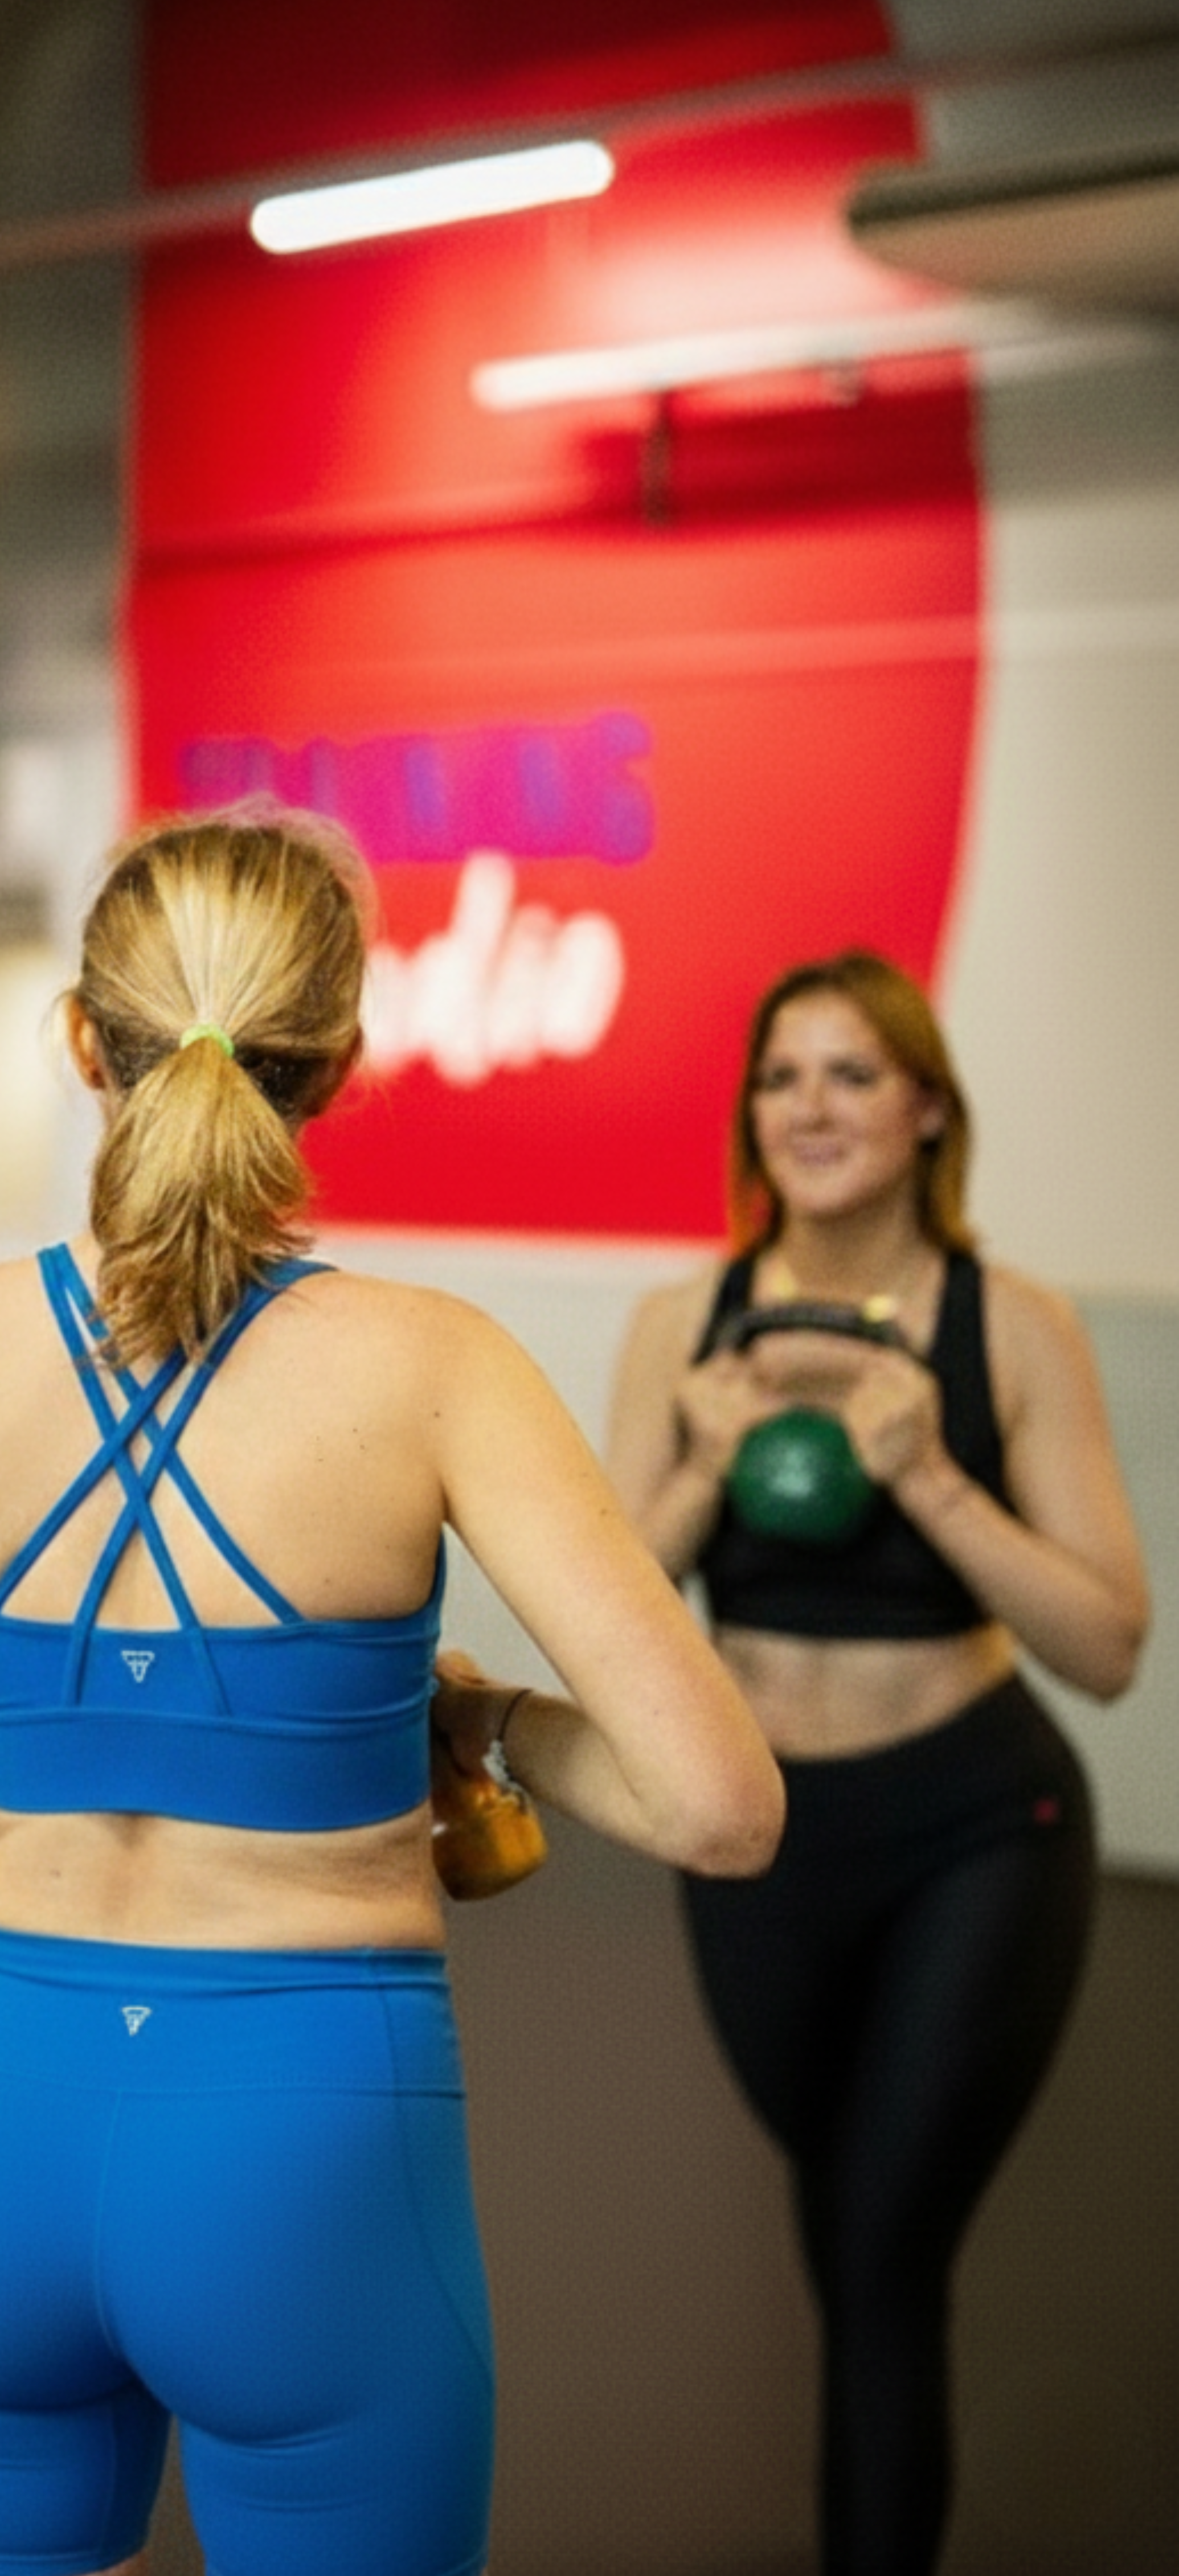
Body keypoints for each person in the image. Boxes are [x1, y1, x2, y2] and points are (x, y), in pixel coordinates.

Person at [0, 805, 783, 2576]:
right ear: (338, 1060)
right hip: (302, 2129)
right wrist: (477, 1723)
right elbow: (720, 1808)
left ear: (78, 1040)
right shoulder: (436, 1365)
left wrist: (64, 1720)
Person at [603, 949, 1148, 2576]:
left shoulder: (1012, 1327)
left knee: (880, 2249)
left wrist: (928, 1475)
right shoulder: (681, 1326)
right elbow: (608, 1612)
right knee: (852, 2243)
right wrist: (702, 1466)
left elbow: (1106, 1644)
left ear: (927, 1112)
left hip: (975, 1831)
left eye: (852, 1073)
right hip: (761, 1839)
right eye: (781, 1077)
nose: (811, 1107)